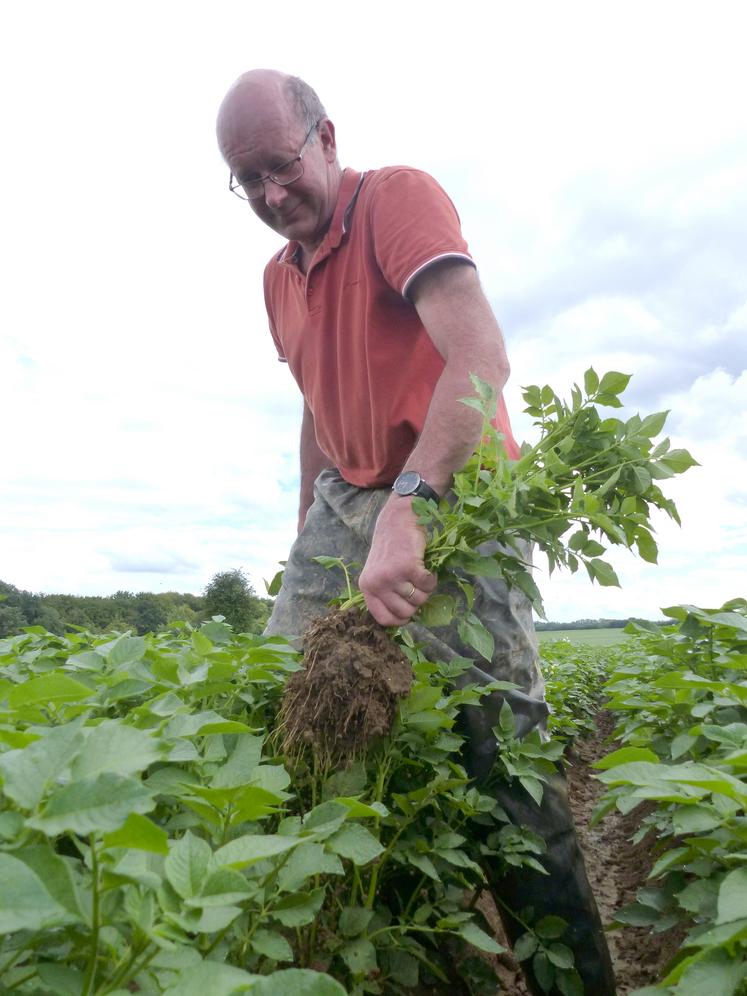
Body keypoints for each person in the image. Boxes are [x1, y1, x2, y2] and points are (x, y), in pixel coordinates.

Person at [216, 69, 616, 995]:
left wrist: (414, 504)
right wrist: (306, 527)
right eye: (249, 182)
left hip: (451, 491)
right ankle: (371, 926)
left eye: (282, 166)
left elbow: (480, 355)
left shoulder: (393, 198)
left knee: (496, 756)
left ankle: (574, 981)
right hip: (343, 501)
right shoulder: (277, 279)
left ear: (324, 138)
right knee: (286, 707)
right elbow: (314, 405)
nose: (274, 197)